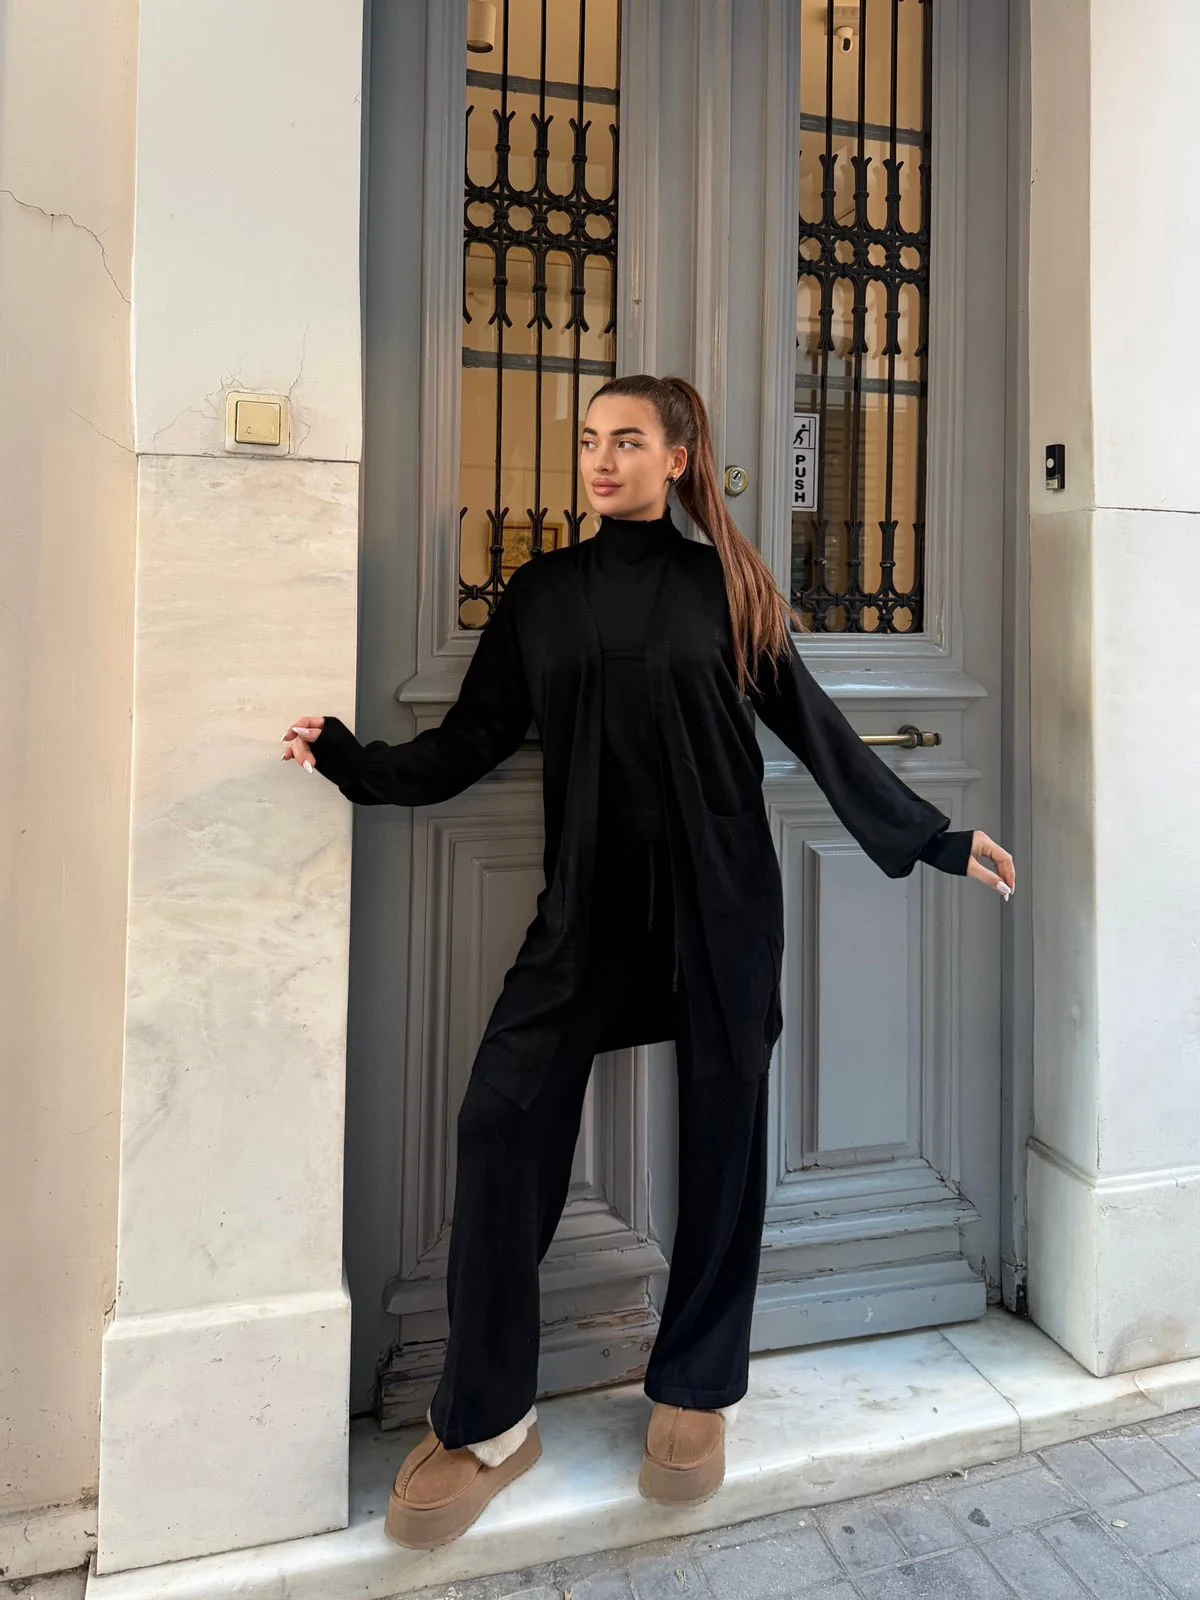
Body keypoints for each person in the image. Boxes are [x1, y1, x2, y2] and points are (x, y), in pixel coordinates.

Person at [281, 374, 1015, 1550]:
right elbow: (472, 740)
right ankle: (490, 1418)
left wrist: (931, 835)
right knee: (500, 1119)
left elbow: (815, 727)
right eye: (589, 439)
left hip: (722, 905)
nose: (601, 458)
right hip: (585, 910)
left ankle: (695, 1386)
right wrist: (351, 762)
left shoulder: (727, 586)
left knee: (725, 1135)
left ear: (678, 458)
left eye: (627, 440)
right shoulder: (541, 595)